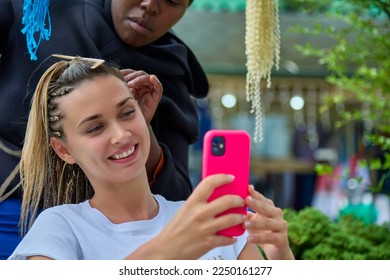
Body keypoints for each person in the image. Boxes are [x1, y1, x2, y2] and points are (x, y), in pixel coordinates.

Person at [8, 57, 294, 260]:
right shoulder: (61, 227)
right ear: (64, 150)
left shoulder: (208, 221)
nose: (121, 135)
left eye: (127, 113)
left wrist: (279, 254)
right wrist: (168, 249)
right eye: (95, 128)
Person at [0, 0, 206, 259]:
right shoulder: (38, 9)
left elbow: (175, 194)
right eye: (95, 126)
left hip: (111, 238)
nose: (151, 5)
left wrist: (142, 124)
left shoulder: (171, 74)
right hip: (9, 206)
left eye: (172, 1)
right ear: (61, 148)